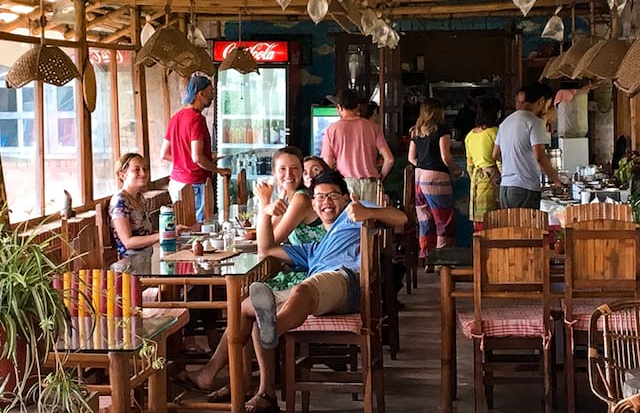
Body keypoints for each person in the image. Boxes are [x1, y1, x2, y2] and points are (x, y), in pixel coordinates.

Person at [175, 171, 407, 412]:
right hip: (317, 285)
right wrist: (265, 207)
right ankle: (261, 391)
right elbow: (266, 248)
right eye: (319, 197)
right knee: (247, 307)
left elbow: (401, 218)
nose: (326, 202)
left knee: (302, 289)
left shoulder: (353, 214)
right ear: (314, 204)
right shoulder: (315, 249)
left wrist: (369, 213)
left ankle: (272, 327)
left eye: (333, 195)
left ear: (346, 197)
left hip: (347, 281)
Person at [160, 76, 231, 223]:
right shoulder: (197, 119)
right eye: (210, 92)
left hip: (176, 183)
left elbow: (165, 154)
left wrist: (189, 159)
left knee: (184, 228)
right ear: (200, 94)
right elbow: (197, 157)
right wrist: (219, 170)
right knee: (197, 230)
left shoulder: (175, 118)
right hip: (194, 185)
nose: (213, 96)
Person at [408, 98, 462, 265]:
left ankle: (425, 257)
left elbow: (411, 158)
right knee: (443, 219)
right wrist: (455, 170)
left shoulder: (415, 131)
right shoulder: (442, 129)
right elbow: (445, 156)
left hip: (419, 177)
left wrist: (424, 165)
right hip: (436, 177)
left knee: (425, 219)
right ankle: (442, 259)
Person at [493, 83, 562, 209]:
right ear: (541, 101)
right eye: (548, 103)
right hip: (524, 189)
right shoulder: (535, 122)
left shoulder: (506, 122)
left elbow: (495, 154)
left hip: (505, 188)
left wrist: (514, 161)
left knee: (511, 228)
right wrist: (557, 180)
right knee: (527, 228)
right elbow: (540, 157)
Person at [321, 89, 394, 203]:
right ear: (358, 106)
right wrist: (379, 178)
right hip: (371, 184)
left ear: (339, 107)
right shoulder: (373, 127)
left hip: (347, 186)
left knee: (349, 220)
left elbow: (328, 165)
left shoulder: (331, 130)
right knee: (371, 219)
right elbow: (389, 159)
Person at [254, 147, 325, 246]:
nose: (289, 174)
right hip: (306, 259)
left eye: (295, 168)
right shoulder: (287, 196)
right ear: (274, 172)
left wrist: (264, 201)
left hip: (318, 260)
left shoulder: (301, 199)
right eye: (282, 169)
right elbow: (268, 233)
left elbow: (267, 244)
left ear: (302, 171)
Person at [109, 153, 160, 273]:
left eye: (145, 169)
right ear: (122, 175)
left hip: (147, 257)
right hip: (130, 265)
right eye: (136, 170)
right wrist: (160, 236)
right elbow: (128, 242)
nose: (143, 173)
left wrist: (171, 232)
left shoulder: (139, 197)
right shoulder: (119, 201)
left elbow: (146, 233)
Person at [465, 98, 502, 231]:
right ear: (496, 113)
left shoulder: (469, 135)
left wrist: (474, 178)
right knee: (495, 219)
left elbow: (469, 165)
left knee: (479, 219)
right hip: (492, 179)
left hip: (476, 180)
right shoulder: (495, 132)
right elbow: (500, 159)